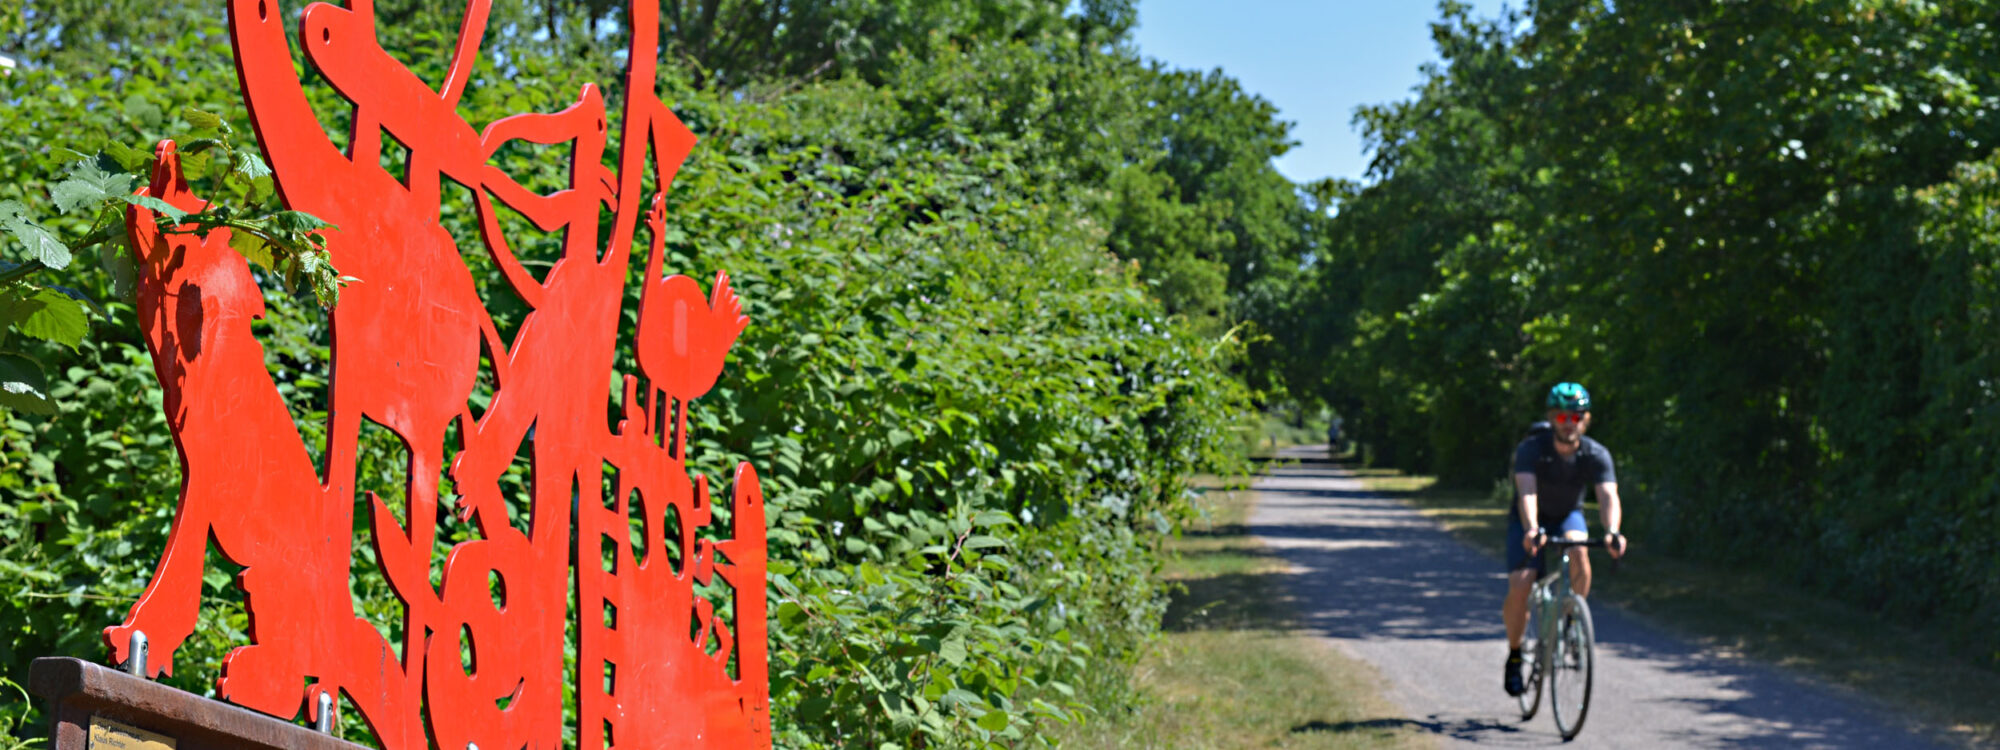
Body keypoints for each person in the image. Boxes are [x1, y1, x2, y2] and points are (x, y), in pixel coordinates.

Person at [1502, 382, 1627, 697]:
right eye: (1561, 418)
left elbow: (1608, 495)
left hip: (1567, 515)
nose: (1568, 424)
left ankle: (1571, 619)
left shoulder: (1596, 454)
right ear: (1551, 418)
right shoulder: (1531, 449)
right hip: (1529, 519)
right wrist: (1532, 529)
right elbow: (1526, 492)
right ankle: (1515, 655)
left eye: (1575, 417)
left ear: (1585, 420)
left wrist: (1612, 531)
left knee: (1579, 551)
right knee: (1522, 581)